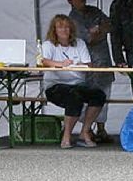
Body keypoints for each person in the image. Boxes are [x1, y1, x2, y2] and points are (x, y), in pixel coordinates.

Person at [41, 14, 106, 149]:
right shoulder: (48, 45)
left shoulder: (79, 43)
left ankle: (85, 131)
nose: (64, 30)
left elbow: (89, 64)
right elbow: (44, 61)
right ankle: (67, 135)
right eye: (60, 27)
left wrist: (81, 65)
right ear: (54, 30)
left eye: (67, 27)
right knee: (74, 97)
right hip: (55, 85)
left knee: (99, 95)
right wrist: (61, 64)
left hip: (78, 84)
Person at [63, 0, 114, 144]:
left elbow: (109, 25)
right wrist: (99, 33)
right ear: (70, 1)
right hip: (88, 64)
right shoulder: (73, 19)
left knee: (105, 94)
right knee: (90, 96)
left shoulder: (94, 10)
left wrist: (98, 30)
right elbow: (89, 39)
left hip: (103, 61)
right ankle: (88, 129)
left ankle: (101, 129)